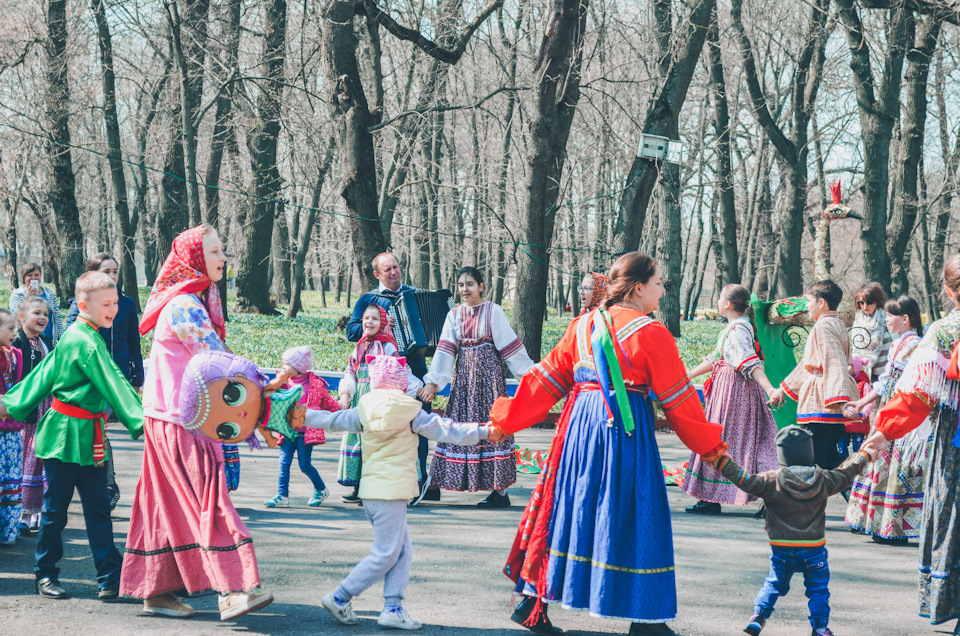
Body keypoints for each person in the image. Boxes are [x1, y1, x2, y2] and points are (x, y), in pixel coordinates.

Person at [490, 252, 725, 636]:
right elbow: (679, 401)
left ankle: (534, 602)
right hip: (622, 432)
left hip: (579, 431)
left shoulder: (583, 326)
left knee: (569, 507)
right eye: (659, 283)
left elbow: (543, 383)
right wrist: (711, 446)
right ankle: (647, 621)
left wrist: (506, 421)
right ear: (637, 287)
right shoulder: (651, 333)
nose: (663, 290)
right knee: (636, 513)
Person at [120, 225, 273, 620]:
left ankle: (156, 590)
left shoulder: (188, 299)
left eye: (223, 249)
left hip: (164, 415)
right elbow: (216, 359)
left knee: (163, 504)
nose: (223, 257)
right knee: (209, 501)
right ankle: (232, 590)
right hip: (183, 420)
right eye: (215, 250)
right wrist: (264, 384)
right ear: (194, 258)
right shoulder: (186, 303)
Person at [298, 354, 498, 632]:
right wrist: (485, 432)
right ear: (401, 382)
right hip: (391, 492)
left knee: (401, 550)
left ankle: (393, 608)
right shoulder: (410, 411)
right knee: (387, 552)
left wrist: (300, 415)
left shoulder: (363, 410)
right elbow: (446, 430)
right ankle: (340, 596)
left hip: (372, 491)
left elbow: (331, 420)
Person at [0, 272, 143, 600]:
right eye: (106, 304)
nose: (113, 310)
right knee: (55, 511)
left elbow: (46, 371)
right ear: (83, 306)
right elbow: (114, 382)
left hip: (88, 438)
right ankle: (46, 573)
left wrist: (13, 401)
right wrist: (144, 420)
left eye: (116, 304)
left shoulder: (81, 333)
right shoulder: (85, 339)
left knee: (95, 509)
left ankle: (109, 577)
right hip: (64, 437)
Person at [861, 255, 960, 632]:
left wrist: (881, 434)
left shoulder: (945, 331)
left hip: (955, 443)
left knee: (954, 516)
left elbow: (915, 397)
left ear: (949, 292)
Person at [712, 426, 874, 636]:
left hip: (782, 548)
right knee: (818, 591)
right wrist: (865, 455)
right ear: (810, 452)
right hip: (814, 549)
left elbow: (743, 479)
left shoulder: (770, 480)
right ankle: (820, 628)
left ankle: (759, 616)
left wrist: (722, 462)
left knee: (774, 584)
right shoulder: (824, 479)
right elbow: (847, 472)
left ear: (781, 455)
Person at [417, 267, 533, 508]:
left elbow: (510, 347)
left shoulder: (493, 311)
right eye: (461, 285)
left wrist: (530, 378)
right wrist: (433, 382)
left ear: (481, 286)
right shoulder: (455, 314)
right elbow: (446, 349)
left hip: (489, 382)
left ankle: (499, 494)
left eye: (470, 284)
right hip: (464, 384)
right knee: (456, 425)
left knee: (494, 427)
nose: (465, 289)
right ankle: (435, 484)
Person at [683, 283, 782, 515]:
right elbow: (716, 358)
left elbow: (748, 361)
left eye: (719, 297)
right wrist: (687, 375)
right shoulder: (734, 327)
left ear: (727, 304)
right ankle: (711, 497)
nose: (717, 301)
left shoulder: (738, 329)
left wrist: (769, 389)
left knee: (726, 439)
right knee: (734, 440)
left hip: (734, 393)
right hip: (729, 390)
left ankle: (770, 497)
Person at [65, 253, 144, 509]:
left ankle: (105, 484)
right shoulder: (82, 303)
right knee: (93, 430)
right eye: (106, 271)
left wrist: (137, 378)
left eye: (115, 271)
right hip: (86, 379)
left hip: (116, 378)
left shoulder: (127, 304)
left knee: (98, 426)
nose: (112, 276)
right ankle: (98, 481)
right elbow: (68, 337)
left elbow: (134, 341)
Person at [844, 296, 925, 544]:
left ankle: (892, 527)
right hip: (890, 406)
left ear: (905, 319)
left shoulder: (914, 344)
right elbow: (885, 382)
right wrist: (862, 402)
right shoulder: (899, 344)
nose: (886, 319)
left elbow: (896, 383)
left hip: (901, 410)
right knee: (882, 462)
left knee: (892, 463)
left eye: (890, 315)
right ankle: (878, 522)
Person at [346, 252, 431, 485]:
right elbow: (351, 331)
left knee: (417, 423)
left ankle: (419, 479)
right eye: (387, 270)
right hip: (380, 376)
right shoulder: (368, 300)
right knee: (379, 428)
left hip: (414, 368)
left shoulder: (414, 295)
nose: (393, 272)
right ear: (377, 274)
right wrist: (380, 325)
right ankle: (372, 480)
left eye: (396, 267)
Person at [769, 280, 858, 470]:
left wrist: (841, 401)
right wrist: (783, 389)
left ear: (822, 303)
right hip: (828, 404)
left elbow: (835, 363)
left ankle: (845, 496)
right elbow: (809, 365)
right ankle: (856, 496)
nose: (806, 305)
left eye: (809, 300)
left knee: (816, 461)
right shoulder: (837, 324)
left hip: (823, 405)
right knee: (830, 459)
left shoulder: (824, 327)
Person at [337, 303, 422, 502]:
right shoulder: (359, 347)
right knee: (360, 441)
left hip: (380, 399)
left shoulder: (388, 346)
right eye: (366, 318)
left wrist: (416, 388)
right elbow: (350, 372)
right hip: (361, 400)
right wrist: (346, 395)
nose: (369, 322)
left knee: (379, 443)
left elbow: (400, 371)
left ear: (383, 322)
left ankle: (382, 488)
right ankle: (358, 487)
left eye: (375, 319)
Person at [263, 346, 338, 508]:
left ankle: (321, 489)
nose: (283, 367)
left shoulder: (316, 385)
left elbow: (330, 403)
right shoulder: (282, 382)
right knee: (283, 462)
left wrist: (341, 414)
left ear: (298, 367)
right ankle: (282, 495)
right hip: (288, 431)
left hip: (306, 433)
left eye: (286, 364)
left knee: (305, 465)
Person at [12, 295, 53, 535]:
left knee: (41, 462)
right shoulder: (18, 344)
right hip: (27, 414)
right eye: (37, 313)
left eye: (46, 314)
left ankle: (38, 511)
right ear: (22, 317)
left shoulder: (46, 343)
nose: (43, 318)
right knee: (26, 461)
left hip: (46, 412)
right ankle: (23, 513)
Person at [0, 308, 24, 547]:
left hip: (12, 432)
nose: (14, 333)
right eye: (9, 328)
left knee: (11, 481)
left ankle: (8, 532)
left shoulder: (13, 356)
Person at [9, 262, 64, 345]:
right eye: (30, 275)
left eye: (36, 275)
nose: (33, 278)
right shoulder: (18, 294)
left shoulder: (48, 293)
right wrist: (27, 297)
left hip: (48, 338)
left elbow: (56, 316)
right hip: (25, 340)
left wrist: (61, 338)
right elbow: (15, 315)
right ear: (24, 278)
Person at [851, 282, 893, 381]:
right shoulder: (858, 322)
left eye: (869, 302)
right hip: (869, 372)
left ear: (877, 301)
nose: (865, 306)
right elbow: (856, 349)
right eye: (861, 303)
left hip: (889, 371)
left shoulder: (886, 318)